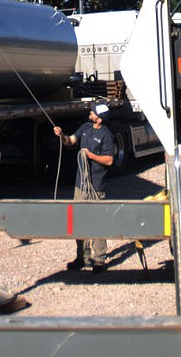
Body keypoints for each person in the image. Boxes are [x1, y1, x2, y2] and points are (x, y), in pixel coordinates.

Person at [52, 101, 116, 271]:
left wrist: (91, 156)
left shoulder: (106, 135)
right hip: (80, 184)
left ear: (100, 119)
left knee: (96, 221)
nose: (90, 114)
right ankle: (82, 257)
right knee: (79, 220)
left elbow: (109, 160)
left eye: (93, 112)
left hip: (96, 185)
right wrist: (61, 135)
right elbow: (71, 140)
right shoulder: (85, 128)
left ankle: (99, 260)